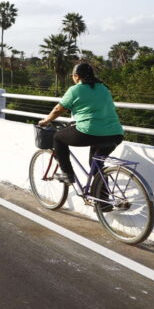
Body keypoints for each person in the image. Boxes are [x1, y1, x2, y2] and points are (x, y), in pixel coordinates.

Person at [38, 62, 123, 209]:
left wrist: (46, 121)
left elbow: (59, 109)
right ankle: (103, 201)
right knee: (96, 163)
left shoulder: (75, 89)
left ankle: (67, 175)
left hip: (90, 132)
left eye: (73, 76)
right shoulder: (103, 88)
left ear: (76, 76)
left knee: (58, 138)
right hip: (115, 134)